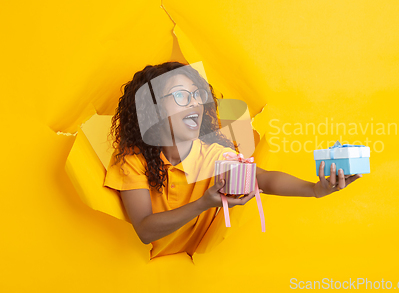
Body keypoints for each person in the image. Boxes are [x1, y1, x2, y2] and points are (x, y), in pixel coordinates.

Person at [104, 61, 362, 260]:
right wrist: (204, 203)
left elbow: (264, 178)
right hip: (133, 268)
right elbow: (145, 230)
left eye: (198, 96)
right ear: (155, 108)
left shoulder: (212, 155)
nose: (195, 104)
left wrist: (315, 189)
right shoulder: (133, 162)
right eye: (182, 96)